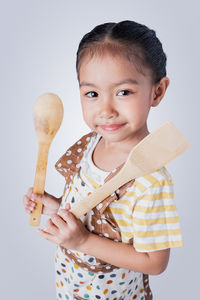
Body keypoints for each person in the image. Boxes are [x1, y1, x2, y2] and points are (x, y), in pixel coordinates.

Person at [23, 20, 183, 300]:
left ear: (157, 91)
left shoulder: (150, 180)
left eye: (123, 92)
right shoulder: (90, 144)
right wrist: (57, 207)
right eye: (92, 94)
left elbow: (155, 262)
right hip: (70, 287)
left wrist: (82, 241)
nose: (106, 110)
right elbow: (92, 210)